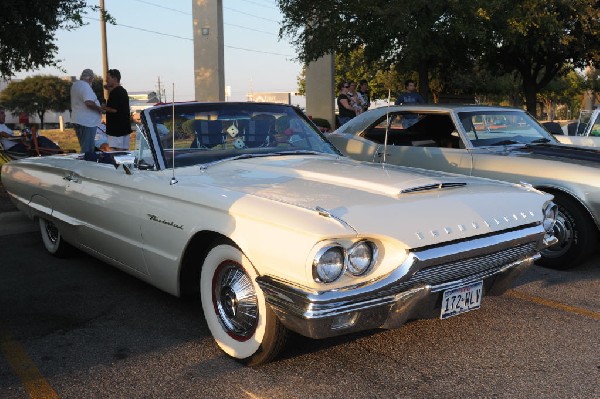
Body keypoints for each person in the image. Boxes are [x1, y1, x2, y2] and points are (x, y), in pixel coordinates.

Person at [70, 69, 103, 153]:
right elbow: (88, 102)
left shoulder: (75, 85)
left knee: (84, 146)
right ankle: (87, 164)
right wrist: (99, 109)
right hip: (87, 122)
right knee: (88, 149)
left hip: (78, 120)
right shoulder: (85, 86)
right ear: (90, 78)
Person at [102, 69, 132, 151]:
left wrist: (103, 107)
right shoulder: (123, 91)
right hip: (124, 128)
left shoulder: (115, 93)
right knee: (124, 153)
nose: (106, 80)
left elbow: (114, 110)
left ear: (114, 78)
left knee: (116, 153)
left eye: (108, 78)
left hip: (116, 130)